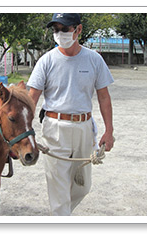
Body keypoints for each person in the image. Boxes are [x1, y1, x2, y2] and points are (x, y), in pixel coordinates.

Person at [27, 13, 114, 216]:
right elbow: (31, 98)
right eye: (56, 30)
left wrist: (109, 131)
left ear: (78, 30)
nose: (60, 34)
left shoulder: (94, 59)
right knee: (58, 189)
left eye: (65, 29)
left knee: (83, 185)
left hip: (85, 127)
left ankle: (63, 213)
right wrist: (26, 131)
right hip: (55, 128)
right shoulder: (45, 61)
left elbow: (104, 98)